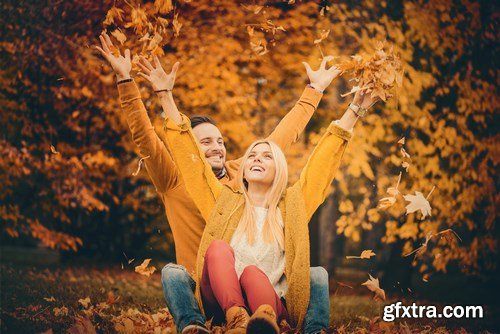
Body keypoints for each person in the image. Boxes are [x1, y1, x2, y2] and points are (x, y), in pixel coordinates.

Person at [95, 32, 340, 333]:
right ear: (191, 148)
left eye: (220, 141)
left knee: (308, 274)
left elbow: (281, 137)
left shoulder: (243, 173)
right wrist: (126, 81)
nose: (217, 147)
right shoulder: (174, 180)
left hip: (256, 284)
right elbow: (144, 138)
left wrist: (314, 90)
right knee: (173, 273)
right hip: (209, 289)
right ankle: (194, 326)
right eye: (206, 142)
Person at [163, 72, 382, 333]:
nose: (256, 159)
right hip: (223, 304)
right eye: (252, 155)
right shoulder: (224, 203)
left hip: (271, 304)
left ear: (279, 168)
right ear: (242, 168)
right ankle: (227, 321)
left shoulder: (292, 208)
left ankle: (280, 325)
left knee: (260, 274)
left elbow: (322, 164)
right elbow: (192, 165)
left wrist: (355, 109)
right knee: (212, 252)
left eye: (266, 156)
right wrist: (164, 96)